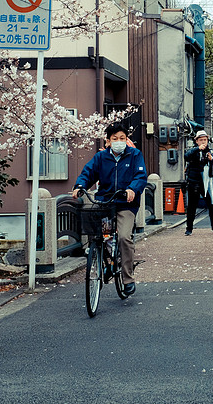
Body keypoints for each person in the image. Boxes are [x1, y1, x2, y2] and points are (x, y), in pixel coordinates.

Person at [71, 123, 148, 297]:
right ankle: (103, 260)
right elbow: (88, 173)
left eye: (122, 138)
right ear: (108, 141)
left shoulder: (134, 155)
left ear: (126, 139)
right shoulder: (100, 158)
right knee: (101, 233)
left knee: (123, 237)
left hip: (125, 204)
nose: (119, 142)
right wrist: (80, 186)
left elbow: (140, 176)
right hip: (105, 203)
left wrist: (133, 189)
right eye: (115, 139)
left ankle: (128, 279)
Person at [183, 130, 213, 235]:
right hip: (194, 181)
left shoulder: (211, 152)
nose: (203, 142)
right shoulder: (193, 151)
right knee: (192, 206)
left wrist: (212, 160)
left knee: (212, 204)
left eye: (205, 140)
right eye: (201, 140)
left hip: (208, 182)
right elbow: (186, 156)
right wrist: (197, 149)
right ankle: (189, 229)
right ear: (196, 141)